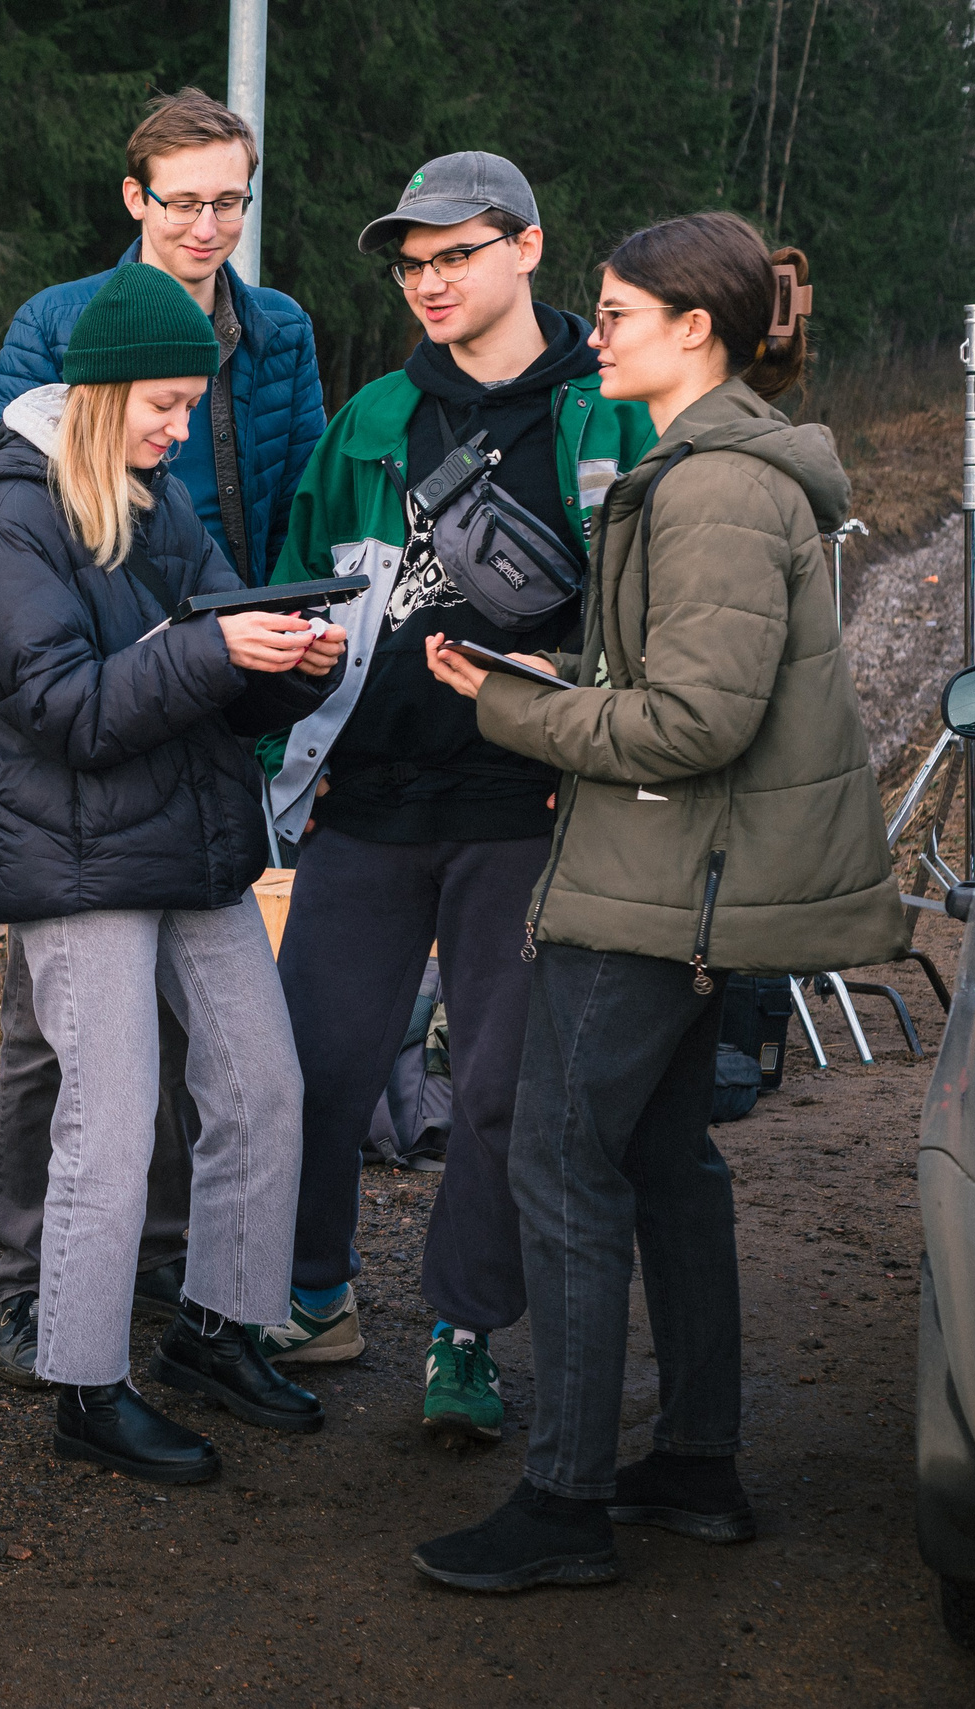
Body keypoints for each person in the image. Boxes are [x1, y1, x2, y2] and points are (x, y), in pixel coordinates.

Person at [413, 213, 906, 1590]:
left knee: (562, 1164)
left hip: (660, 890)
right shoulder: (716, 469)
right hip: (694, 881)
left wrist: (523, 711)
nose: (596, 332)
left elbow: (694, 724)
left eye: (618, 312)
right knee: (667, 1166)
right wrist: (549, 681)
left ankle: (565, 1501)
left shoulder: (711, 489)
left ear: (697, 330)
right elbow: (694, 693)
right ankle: (695, 1462)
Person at [254, 153, 655, 1444]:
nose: (429, 282)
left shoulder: (611, 412)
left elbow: (660, 610)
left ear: (528, 249)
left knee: (496, 1087)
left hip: (528, 807)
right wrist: (295, 666)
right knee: (313, 1067)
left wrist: (571, 674)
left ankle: (463, 1334)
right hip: (368, 801)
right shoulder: (371, 418)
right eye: (413, 265)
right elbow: (295, 584)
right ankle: (313, 1296)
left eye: (457, 256)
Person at [0, 262, 341, 1484]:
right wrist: (218, 650)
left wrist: (292, 655)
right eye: (164, 404)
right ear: (101, 390)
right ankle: (84, 1382)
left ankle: (215, 1325)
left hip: (187, 841)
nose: (179, 428)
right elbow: (64, 707)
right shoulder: (3, 517)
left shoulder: (155, 503)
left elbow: (211, 651)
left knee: (264, 1085)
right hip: (73, 860)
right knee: (107, 1126)